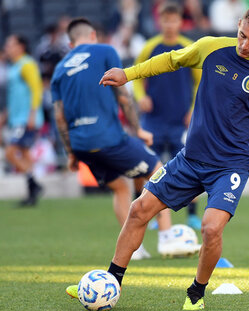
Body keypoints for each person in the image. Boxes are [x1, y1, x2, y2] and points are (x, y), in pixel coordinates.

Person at [67, 6, 249, 310]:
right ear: (238, 25)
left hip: (231, 166)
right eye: (242, 36)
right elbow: (170, 60)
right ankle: (109, 283)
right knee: (139, 209)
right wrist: (128, 74)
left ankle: (196, 294)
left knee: (210, 228)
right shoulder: (211, 48)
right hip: (191, 158)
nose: (245, 45)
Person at [51, 18, 200, 265]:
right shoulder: (105, 50)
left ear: (70, 42)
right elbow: (123, 96)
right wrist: (139, 130)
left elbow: (59, 116)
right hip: (107, 137)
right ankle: (166, 237)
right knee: (157, 170)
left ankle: (136, 248)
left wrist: (70, 153)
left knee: (121, 186)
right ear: (93, 36)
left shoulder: (60, 69)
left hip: (81, 144)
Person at [134, 2, 203, 230]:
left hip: (180, 120)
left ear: (180, 22)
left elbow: (200, 82)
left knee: (189, 169)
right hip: (153, 120)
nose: (170, 25)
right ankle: (154, 216)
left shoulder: (188, 47)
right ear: (159, 22)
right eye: (166, 20)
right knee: (151, 168)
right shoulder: (149, 47)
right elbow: (135, 76)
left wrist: (194, 107)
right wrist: (141, 96)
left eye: (174, 20)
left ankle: (192, 214)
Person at [1, 34, 44, 207]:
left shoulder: (27, 64)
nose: (7, 48)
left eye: (10, 44)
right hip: (17, 117)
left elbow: (36, 89)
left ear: (21, 46)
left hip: (25, 118)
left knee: (10, 152)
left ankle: (34, 184)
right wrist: (5, 116)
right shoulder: (14, 66)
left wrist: (32, 114)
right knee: (25, 153)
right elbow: (15, 95)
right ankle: (31, 192)